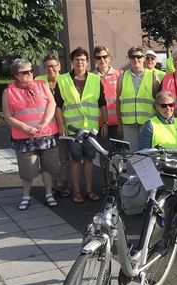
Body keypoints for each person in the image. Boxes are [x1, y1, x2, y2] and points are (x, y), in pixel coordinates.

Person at [2, 59, 60, 210]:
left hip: (46, 134)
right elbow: (8, 116)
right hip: (24, 137)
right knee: (27, 170)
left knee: (48, 167)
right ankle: (26, 196)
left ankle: (49, 194)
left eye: (31, 71)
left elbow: (52, 104)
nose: (29, 74)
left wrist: (43, 123)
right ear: (16, 75)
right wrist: (24, 127)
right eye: (25, 72)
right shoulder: (9, 91)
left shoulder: (41, 84)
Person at [54, 47, 107, 204]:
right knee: (76, 160)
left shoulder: (95, 79)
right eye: (77, 60)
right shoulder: (63, 80)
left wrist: (104, 122)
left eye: (83, 60)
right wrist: (61, 125)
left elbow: (102, 103)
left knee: (89, 159)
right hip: (73, 128)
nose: (80, 63)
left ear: (87, 61)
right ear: (72, 61)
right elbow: (57, 105)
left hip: (91, 128)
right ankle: (76, 192)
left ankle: (89, 190)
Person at [36, 54, 71, 198]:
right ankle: (53, 184)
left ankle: (64, 185)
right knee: (50, 157)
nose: (51, 69)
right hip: (46, 126)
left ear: (59, 67)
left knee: (64, 156)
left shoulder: (66, 80)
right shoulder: (38, 81)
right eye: (48, 66)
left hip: (64, 123)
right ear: (44, 68)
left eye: (54, 66)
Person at [116, 46, 160, 151]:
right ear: (129, 59)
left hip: (147, 123)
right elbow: (118, 101)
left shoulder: (153, 76)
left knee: (148, 153)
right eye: (132, 57)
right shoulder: (122, 77)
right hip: (128, 124)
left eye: (139, 56)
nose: (136, 59)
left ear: (144, 58)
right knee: (131, 155)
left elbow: (158, 101)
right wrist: (119, 124)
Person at [93, 45, 123, 191]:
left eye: (105, 56)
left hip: (118, 122)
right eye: (99, 57)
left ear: (110, 58)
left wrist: (121, 122)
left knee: (118, 154)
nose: (102, 60)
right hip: (101, 123)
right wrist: (103, 122)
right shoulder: (91, 77)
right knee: (104, 154)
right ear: (95, 60)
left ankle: (119, 182)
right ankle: (107, 183)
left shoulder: (120, 74)